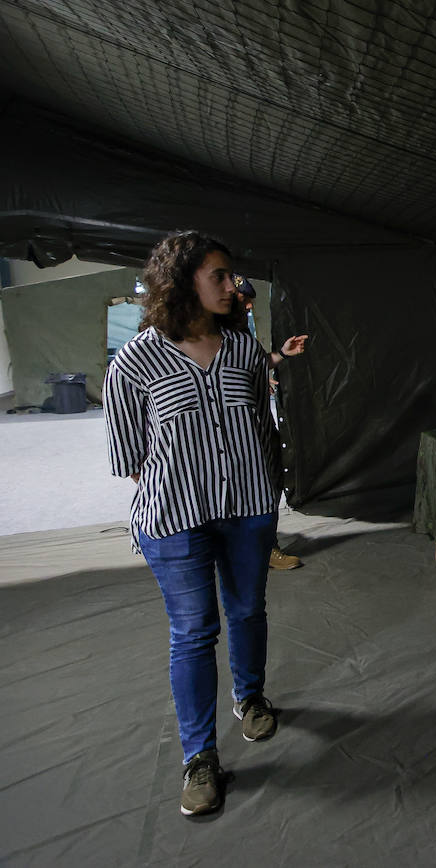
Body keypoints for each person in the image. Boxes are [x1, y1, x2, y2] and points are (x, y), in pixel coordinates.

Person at [104, 231, 284, 817]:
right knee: (195, 630)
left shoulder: (244, 350)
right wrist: (185, 487)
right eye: (219, 276)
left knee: (247, 610)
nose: (233, 286)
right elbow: (128, 455)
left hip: (249, 509)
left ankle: (250, 698)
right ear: (182, 283)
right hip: (174, 519)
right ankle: (200, 758)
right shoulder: (137, 360)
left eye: (232, 275)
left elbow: (261, 420)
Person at [232, 274, 308, 570]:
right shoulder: (210, 334)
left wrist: (281, 355)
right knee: (246, 487)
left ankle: (264, 545)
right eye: (242, 300)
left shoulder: (239, 334)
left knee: (271, 479)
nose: (248, 306)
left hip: (259, 423)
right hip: (235, 430)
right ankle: (257, 549)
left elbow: (253, 362)